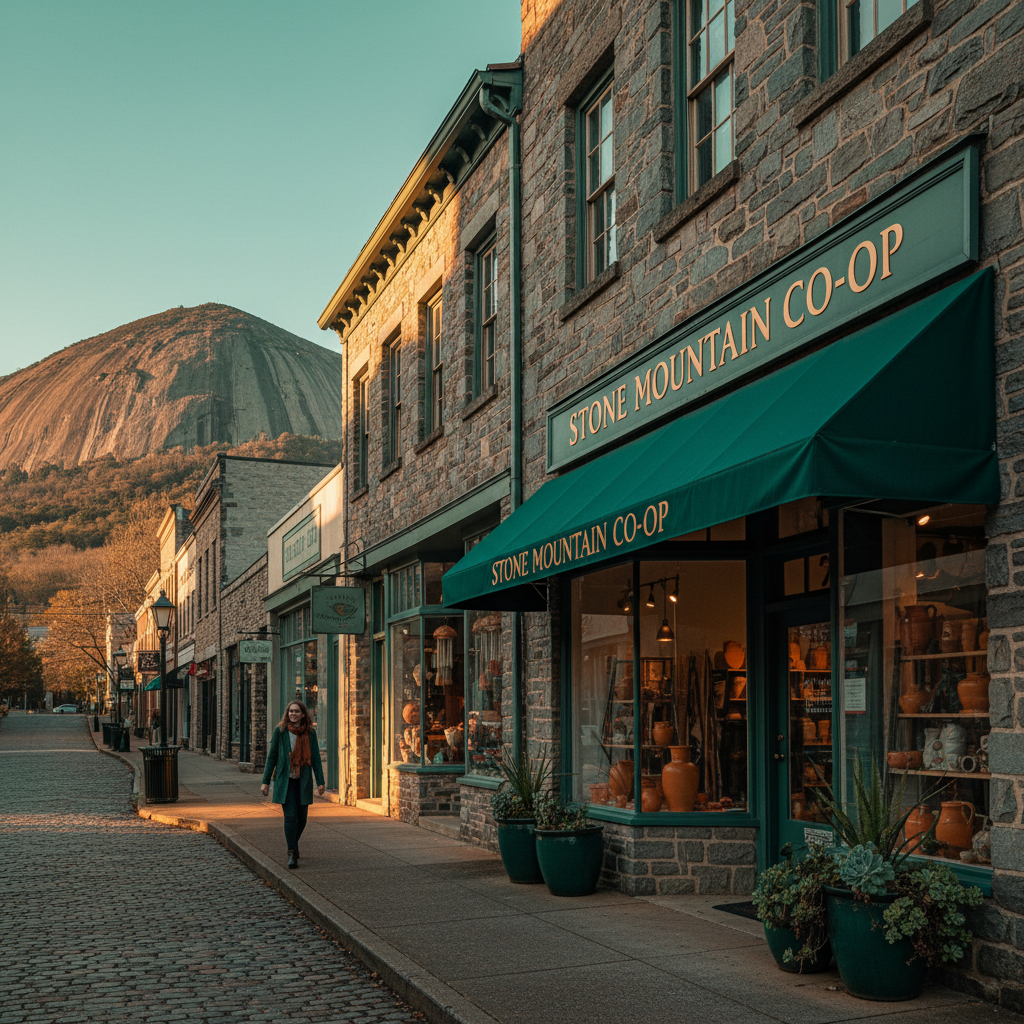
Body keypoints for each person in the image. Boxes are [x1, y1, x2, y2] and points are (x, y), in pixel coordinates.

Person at [260, 700, 325, 868]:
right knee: (290, 816)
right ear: (287, 714)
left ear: (303, 714)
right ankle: (291, 853)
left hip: (302, 781)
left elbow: (316, 758)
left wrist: (320, 781)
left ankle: (293, 843)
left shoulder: (310, 733)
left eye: (296, 711)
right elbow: (272, 757)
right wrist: (265, 782)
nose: (293, 714)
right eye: (291, 711)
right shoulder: (280, 731)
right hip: (285, 780)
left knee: (302, 818)